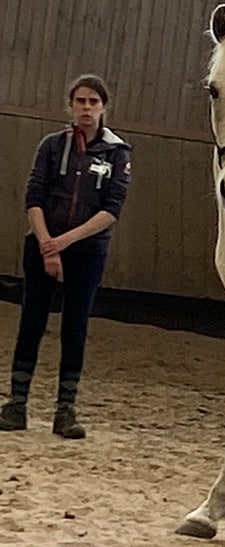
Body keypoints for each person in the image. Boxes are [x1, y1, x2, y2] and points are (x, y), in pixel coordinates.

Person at [0, 74, 132, 439]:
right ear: (71, 106)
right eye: (80, 101)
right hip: (42, 245)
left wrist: (65, 242)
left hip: (86, 251)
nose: (86, 108)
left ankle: (65, 409)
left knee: (75, 326)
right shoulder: (52, 146)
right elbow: (34, 196)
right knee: (32, 321)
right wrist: (46, 243)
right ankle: (17, 403)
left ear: (104, 107)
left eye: (93, 102)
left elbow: (111, 209)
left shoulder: (118, 153)